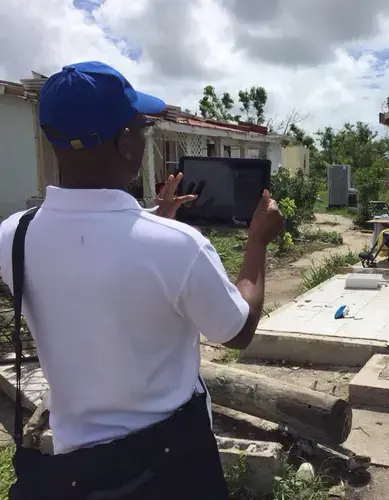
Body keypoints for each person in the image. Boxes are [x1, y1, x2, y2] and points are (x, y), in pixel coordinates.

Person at [0, 61, 283, 499]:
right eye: (141, 129)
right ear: (125, 144)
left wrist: (151, 219)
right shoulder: (178, 246)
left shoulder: (12, 235)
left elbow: (83, 253)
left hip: (76, 470)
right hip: (171, 468)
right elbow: (238, 330)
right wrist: (257, 243)